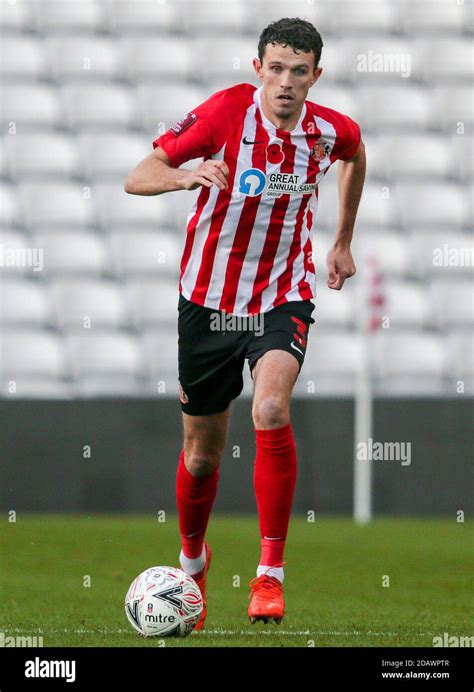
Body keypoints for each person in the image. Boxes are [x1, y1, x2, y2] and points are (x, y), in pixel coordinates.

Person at [125, 16, 366, 628]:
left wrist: (341, 241)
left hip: (282, 295)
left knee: (270, 410)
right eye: (276, 68)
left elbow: (355, 153)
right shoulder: (223, 115)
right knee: (202, 456)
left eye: (300, 71)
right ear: (258, 68)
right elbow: (138, 175)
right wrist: (187, 175)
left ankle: (269, 577)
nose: (286, 82)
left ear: (316, 75)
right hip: (207, 302)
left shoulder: (328, 131)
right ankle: (193, 565)